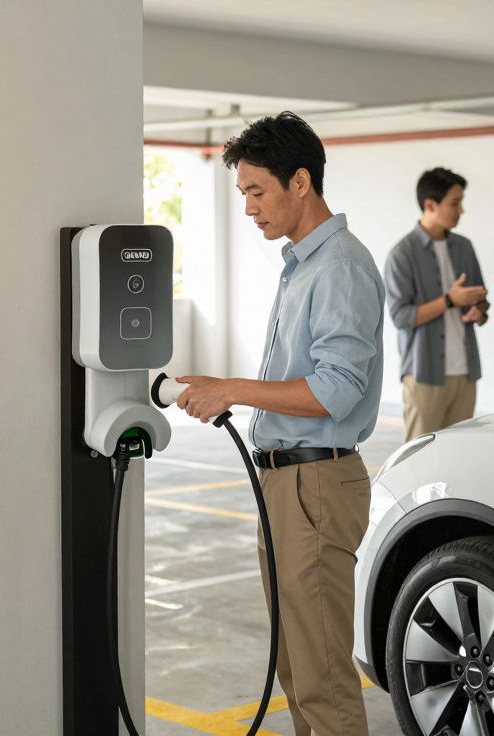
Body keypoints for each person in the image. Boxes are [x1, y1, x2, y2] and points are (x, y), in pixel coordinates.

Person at [175, 111, 383, 736]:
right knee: (295, 665)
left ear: (300, 183)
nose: (249, 208)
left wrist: (230, 389)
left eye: (256, 191)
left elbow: (336, 389)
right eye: (242, 194)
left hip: (315, 485)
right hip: (287, 484)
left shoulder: (339, 265)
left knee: (321, 675)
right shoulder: (303, 264)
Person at [384, 167, 489, 441]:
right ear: (430, 205)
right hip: (423, 375)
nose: (461, 210)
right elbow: (400, 317)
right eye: (454, 203)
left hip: (465, 372)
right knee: (420, 455)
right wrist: (449, 301)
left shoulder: (465, 247)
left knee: (461, 453)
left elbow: (481, 301)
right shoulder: (402, 254)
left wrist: (479, 311)